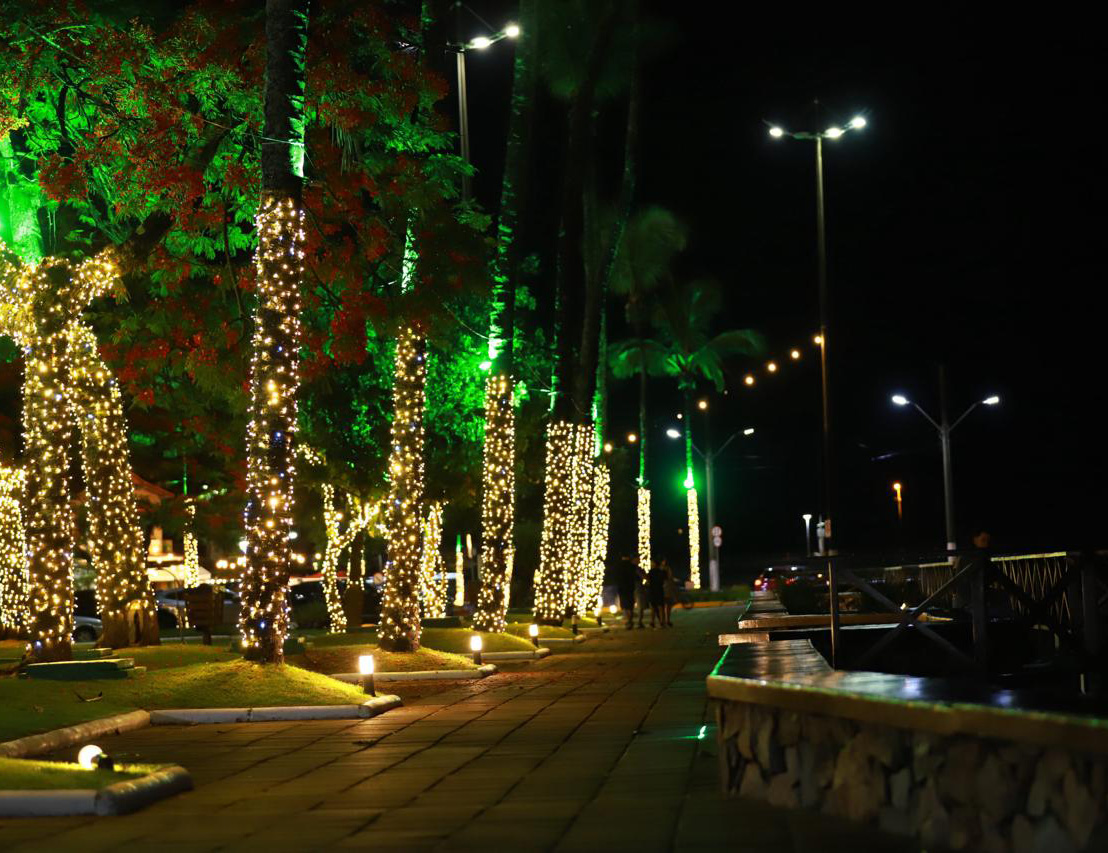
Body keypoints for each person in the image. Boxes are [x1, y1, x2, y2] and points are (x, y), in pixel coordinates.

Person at [615, 555, 637, 630]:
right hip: (630, 587)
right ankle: (630, 621)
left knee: (625, 606)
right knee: (630, 605)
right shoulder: (632, 566)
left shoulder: (619, 566)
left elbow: (616, 576)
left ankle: (628, 621)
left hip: (622, 588)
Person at [647, 560, 667, 628]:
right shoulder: (661, 571)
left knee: (653, 607)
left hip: (652, 590)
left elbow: (648, 579)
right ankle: (661, 622)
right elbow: (666, 579)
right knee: (660, 607)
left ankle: (652, 622)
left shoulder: (651, 571)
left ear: (655, 564)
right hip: (660, 590)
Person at [662, 559, 678, 627]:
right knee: (667, 605)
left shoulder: (661, 568)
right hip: (667, 588)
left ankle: (664, 621)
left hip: (663, 588)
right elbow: (670, 577)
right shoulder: (666, 568)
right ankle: (666, 620)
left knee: (664, 606)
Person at [634, 563, 648, 628]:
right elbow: (645, 577)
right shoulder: (637, 569)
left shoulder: (635, 569)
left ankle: (638, 621)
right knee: (640, 606)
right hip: (638, 588)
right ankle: (639, 622)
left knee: (640, 606)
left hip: (635, 588)